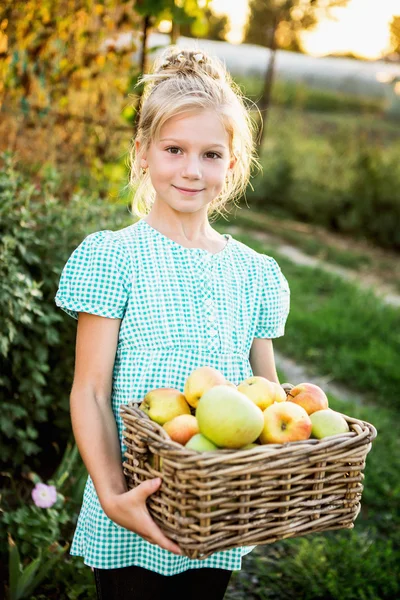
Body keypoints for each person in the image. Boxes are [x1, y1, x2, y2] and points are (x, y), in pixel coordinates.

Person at [54, 45, 290, 600]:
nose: (191, 169)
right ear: (142, 153)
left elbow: (269, 398)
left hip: (216, 510)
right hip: (135, 503)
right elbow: (89, 391)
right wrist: (113, 496)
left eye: (211, 154)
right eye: (174, 149)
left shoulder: (256, 274)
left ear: (232, 164)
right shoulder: (113, 257)